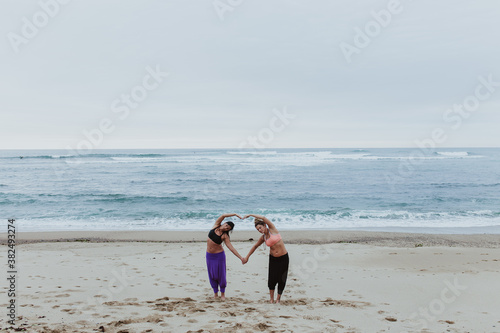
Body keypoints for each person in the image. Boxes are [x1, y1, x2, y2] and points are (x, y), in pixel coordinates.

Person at [244, 214, 289, 303]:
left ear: (265, 225)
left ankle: (278, 299)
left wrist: (250, 215)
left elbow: (264, 218)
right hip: (273, 259)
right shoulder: (263, 237)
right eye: (258, 230)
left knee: (282, 278)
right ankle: (271, 299)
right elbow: (255, 246)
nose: (260, 230)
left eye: (260, 228)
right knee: (272, 279)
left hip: (283, 258)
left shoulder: (273, 230)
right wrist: (247, 257)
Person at [206, 213, 246, 300]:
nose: (226, 228)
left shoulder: (224, 236)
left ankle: (223, 294)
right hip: (209, 255)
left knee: (221, 275)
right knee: (212, 274)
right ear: (224, 223)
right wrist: (235, 214)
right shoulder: (216, 225)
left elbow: (231, 248)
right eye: (226, 225)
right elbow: (223, 215)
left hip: (219, 256)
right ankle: (215, 293)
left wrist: (241, 258)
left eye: (228, 228)